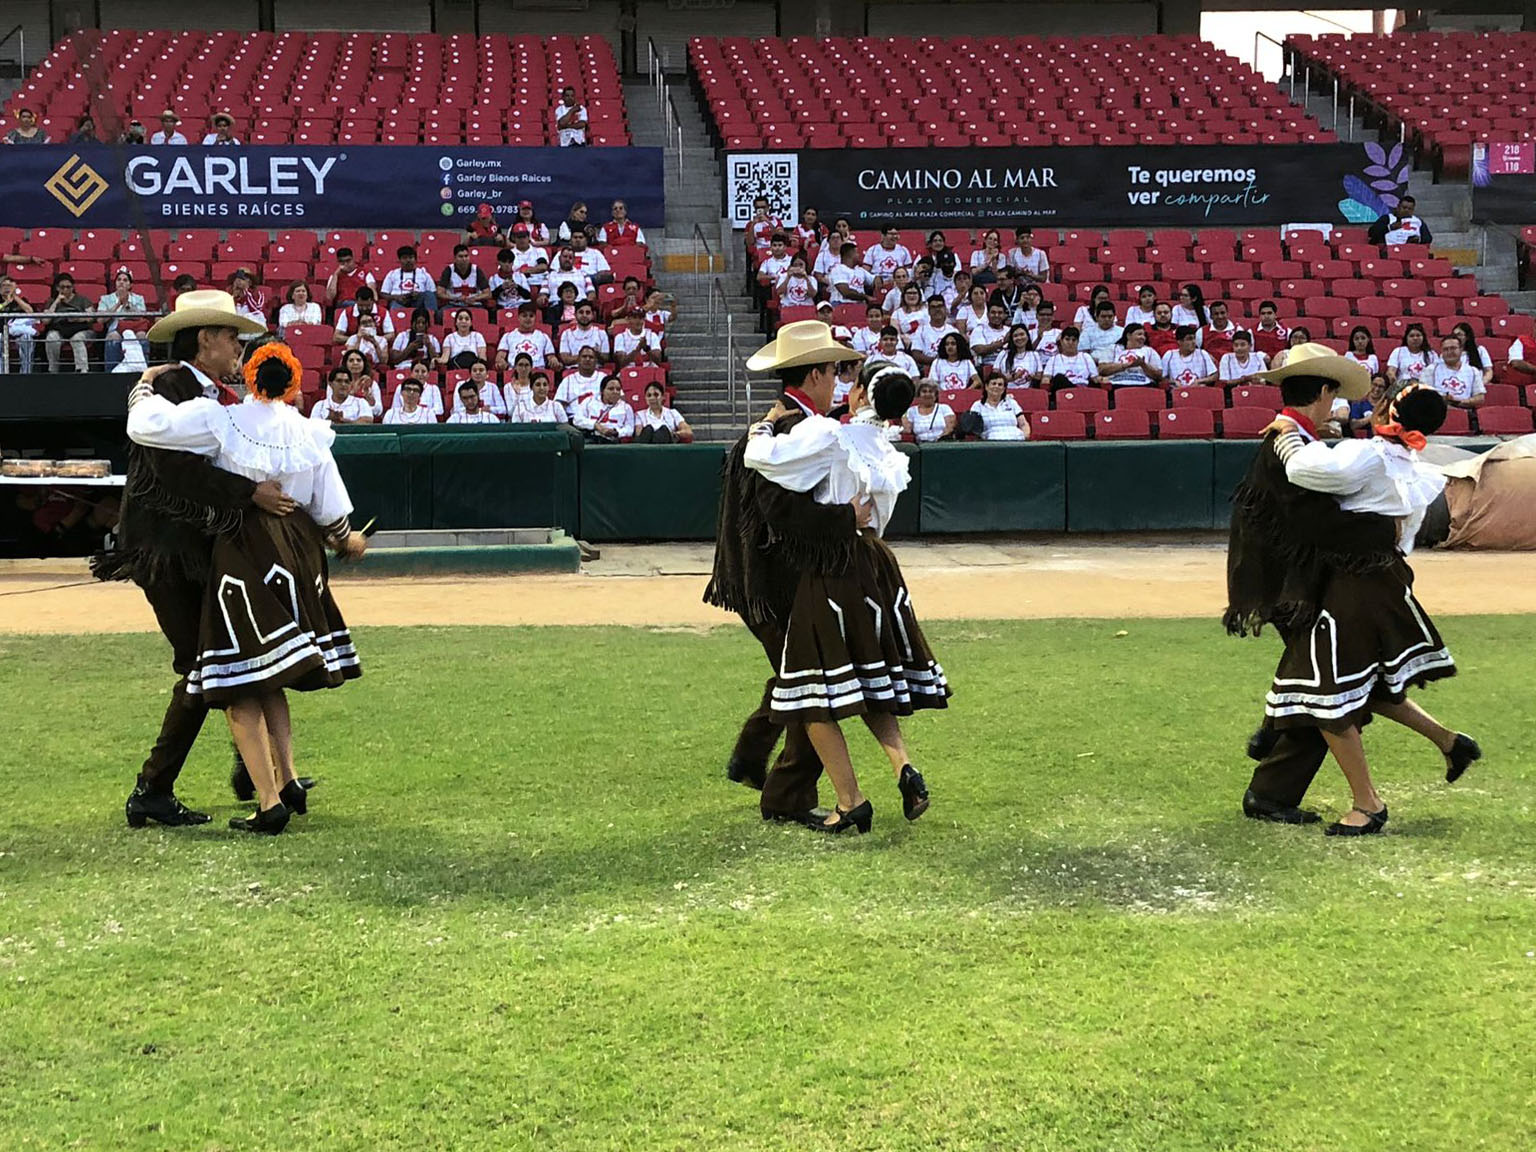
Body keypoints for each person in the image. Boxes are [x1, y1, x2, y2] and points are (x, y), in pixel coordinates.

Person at [1225, 345, 1475, 831]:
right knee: (1353, 684)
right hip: (1370, 578)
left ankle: (1359, 799)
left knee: (1325, 691)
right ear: (1323, 392)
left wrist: (1286, 437)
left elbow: (1303, 476)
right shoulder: (1408, 468)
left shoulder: (1357, 455)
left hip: (1348, 587)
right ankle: (1447, 743)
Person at [124, 340, 365, 834]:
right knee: (268, 671)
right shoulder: (309, 431)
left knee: (233, 671)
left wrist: (142, 389)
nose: (234, 347)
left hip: (243, 549)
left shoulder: (223, 419)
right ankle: (284, 778)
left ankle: (268, 798)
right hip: (297, 553)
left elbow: (147, 427)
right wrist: (346, 538)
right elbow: (332, 509)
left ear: (252, 377)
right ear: (294, 382)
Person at [92, 291, 296, 828]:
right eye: (231, 336)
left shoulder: (198, 390)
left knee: (219, 660)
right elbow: (174, 473)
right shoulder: (172, 387)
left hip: (191, 546)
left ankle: (247, 775)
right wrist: (249, 495)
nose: (238, 346)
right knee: (204, 667)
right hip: (168, 551)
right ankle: (157, 787)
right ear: (205, 339)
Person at [741, 359, 949, 832]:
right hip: (879, 564)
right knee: (870, 678)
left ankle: (849, 799)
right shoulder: (891, 451)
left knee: (808, 691)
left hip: (834, 566)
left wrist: (764, 426)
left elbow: (764, 459)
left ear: (859, 395)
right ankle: (903, 767)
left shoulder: (830, 435)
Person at [705, 321, 867, 826]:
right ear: (816, 373)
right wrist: (848, 519)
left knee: (795, 679)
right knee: (811, 690)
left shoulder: (783, 425)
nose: (839, 379)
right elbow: (779, 512)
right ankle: (786, 797)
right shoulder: (792, 430)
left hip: (760, 583)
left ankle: (750, 758)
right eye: (835, 371)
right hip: (773, 587)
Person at [96, 268, 147, 371]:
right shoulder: (105, 299)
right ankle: (111, 371)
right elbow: (100, 320)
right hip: (115, 328)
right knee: (112, 337)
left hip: (135, 327)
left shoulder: (139, 298)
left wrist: (127, 305)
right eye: (119, 280)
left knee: (142, 336)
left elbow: (141, 316)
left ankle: (143, 370)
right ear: (115, 283)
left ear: (130, 285)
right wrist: (118, 304)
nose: (121, 282)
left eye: (125, 280)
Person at [43, 274, 93, 373]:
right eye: (62, 287)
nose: (65, 289)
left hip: (81, 329)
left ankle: (82, 370)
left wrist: (78, 319)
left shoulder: (82, 299)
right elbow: (45, 320)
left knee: (77, 339)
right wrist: (56, 302)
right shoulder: (51, 301)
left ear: (73, 287)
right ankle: (53, 369)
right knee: (52, 338)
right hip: (60, 329)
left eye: (68, 287)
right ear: (57, 288)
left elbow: (91, 317)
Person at [495, 303, 557, 371]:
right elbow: (500, 357)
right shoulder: (508, 336)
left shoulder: (543, 336)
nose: (528, 319)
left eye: (531, 316)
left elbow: (551, 357)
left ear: (535, 318)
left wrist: (553, 360)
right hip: (514, 372)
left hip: (538, 373)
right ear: (518, 318)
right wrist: (501, 362)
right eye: (524, 316)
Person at [1430, 334, 1486, 409]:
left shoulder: (1473, 371)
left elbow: (1480, 397)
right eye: (1446, 349)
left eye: (1453, 348)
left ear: (1461, 350)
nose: (1449, 352)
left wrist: (1461, 402)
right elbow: (1424, 395)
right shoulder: (1431, 370)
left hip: (1465, 410)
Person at [573, 374, 635, 441]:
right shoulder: (589, 402)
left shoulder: (626, 407)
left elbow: (630, 429)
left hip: (614, 441)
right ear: (602, 391)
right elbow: (577, 419)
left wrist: (616, 432)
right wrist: (595, 425)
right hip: (591, 438)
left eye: (618, 389)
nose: (615, 392)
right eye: (611, 389)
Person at [381, 246, 439, 315]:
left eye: (411, 257)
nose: (408, 260)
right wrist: (396, 297)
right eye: (405, 258)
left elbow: (433, 293)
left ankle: (432, 318)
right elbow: (383, 293)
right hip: (399, 301)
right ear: (399, 260)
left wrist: (419, 294)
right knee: (394, 306)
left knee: (429, 294)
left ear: (415, 259)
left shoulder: (424, 274)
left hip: (418, 302)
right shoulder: (392, 274)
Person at [1104, 322, 1164, 388]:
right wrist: (1125, 366)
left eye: (1144, 335)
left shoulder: (1149, 351)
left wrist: (1143, 365)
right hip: (1117, 384)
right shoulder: (1113, 348)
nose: (1143, 337)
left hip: (1144, 385)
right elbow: (1102, 370)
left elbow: (1159, 376)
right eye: (1139, 334)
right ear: (1128, 335)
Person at [969, 376, 1030, 440]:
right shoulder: (977, 406)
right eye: (994, 384)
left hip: (1016, 440)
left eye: (1000, 385)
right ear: (986, 387)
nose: (996, 386)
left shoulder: (1012, 403)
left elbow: (1023, 424)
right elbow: (974, 431)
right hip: (992, 443)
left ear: (1003, 389)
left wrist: (1025, 436)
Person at [439, 244, 492, 313]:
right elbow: (439, 292)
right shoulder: (449, 270)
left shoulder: (476, 270)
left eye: (466, 256)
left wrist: (474, 298)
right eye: (461, 256)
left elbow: (488, 294)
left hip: (474, 304)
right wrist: (455, 298)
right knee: (440, 314)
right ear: (455, 258)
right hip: (454, 304)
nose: (464, 259)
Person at [1, 275, 38, 373]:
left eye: (9, 285)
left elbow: (30, 311)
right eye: (4, 285)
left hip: (18, 331)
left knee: (27, 338)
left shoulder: (20, 300)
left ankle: (26, 372)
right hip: (1, 331)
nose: (7, 288)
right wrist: (6, 303)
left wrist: (14, 297)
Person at [555, 344, 607, 414]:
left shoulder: (604, 378)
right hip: (573, 419)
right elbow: (558, 405)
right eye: (584, 356)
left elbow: (618, 399)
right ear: (578, 360)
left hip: (599, 418)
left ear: (596, 361)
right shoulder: (568, 380)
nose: (587, 359)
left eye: (591, 357)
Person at [557, 300, 609, 366]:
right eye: (581, 312)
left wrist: (597, 353)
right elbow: (565, 359)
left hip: (596, 369)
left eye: (588, 313)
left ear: (593, 315)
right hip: (573, 370)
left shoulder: (601, 333)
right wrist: (591, 355)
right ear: (575, 315)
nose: (584, 315)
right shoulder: (566, 334)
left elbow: (606, 358)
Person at [1367, 194, 1432, 246]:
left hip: (1411, 250)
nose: (1406, 211)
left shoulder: (1418, 221)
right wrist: (1390, 227)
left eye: (1410, 209)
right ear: (1398, 207)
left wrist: (1418, 240)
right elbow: (1372, 232)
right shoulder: (1388, 218)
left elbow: (1428, 238)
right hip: (1389, 251)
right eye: (1404, 208)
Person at [1451, 321, 1495, 389]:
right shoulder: (1448, 353)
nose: (1456, 337)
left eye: (1459, 334)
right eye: (1454, 335)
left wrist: (1480, 384)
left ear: (1467, 337)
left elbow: (1488, 371)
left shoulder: (1480, 350)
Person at [341, 348, 384, 418]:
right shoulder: (336, 382)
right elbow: (333, 406)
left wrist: (370, 399)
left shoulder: (372, 384)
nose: (355, 363)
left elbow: (378, 411)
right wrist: (353, 392)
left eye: (359, 360)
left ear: (364, 363)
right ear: (345, 364)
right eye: (351, 360)